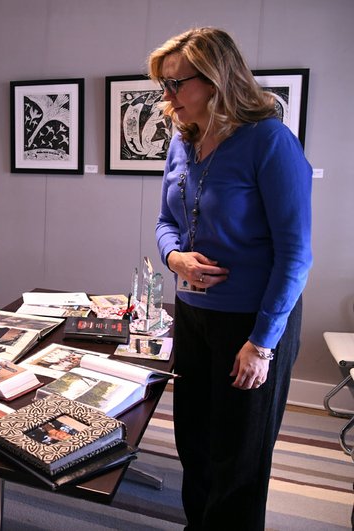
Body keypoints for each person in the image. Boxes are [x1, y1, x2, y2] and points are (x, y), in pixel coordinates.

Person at [149, 27, 312, 529]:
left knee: (238, 458)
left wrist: (262, 343)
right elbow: (165, 224)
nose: (167, 96)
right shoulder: (183, 142)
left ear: (217, 79)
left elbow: (296, 254)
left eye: (176, 84)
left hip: (253, 323)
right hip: (194, 316)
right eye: (163, 85)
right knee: (193, 443)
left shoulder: (269, 141)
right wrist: (175, 259)